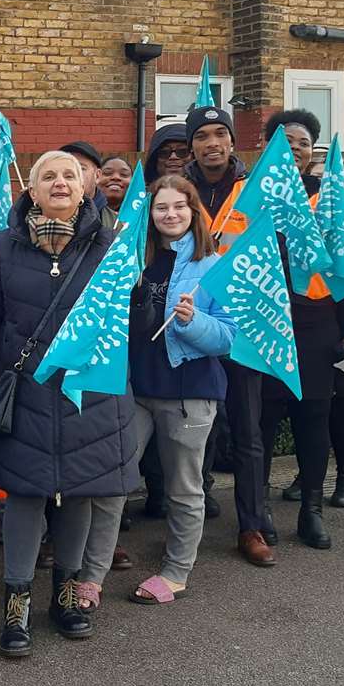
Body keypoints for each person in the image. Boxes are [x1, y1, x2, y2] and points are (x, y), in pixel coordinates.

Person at [0, 151, 137, 658]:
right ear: (32, 189)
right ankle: (17, 602)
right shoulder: (4, 246)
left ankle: (65, 597)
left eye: (69, 175)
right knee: (25, 497)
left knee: (80, 494)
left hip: (87, 394)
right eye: (48, 175)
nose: (60, 183)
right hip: (25, 392)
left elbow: (123, 317)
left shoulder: (111, 247)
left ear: (85, 187)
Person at [255, 111, 344, 551]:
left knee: (313, 419)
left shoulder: (328, 202)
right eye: (285, 140)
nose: (294, 147)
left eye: (302, 141)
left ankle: (311, 512)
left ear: (312, 151)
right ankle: (257, 509)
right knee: (261, 422)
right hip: (263, 324)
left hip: (316, 324)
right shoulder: (250, 199)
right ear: (269, 148)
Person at [125, 178, 236, 603]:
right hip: (135, 389)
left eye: (178, 206)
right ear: (149, 214)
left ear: (194, 211)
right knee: (113, 477)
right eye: (160, 207)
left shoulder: (214, 265)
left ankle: (176, 572)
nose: (170, 214)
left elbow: (228, 338)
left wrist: (193, 322)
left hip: (188, 391)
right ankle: (92, 570)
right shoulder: (135, 258)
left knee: (184, 487)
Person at [183, 105, 277, 567]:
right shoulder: (178, 191)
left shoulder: (254, 191)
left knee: (247, 429)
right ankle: (190, 521)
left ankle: (252, 525)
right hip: (192, 325)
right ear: (192, 145)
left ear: (232, 142)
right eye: (202, 136)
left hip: (244, 325)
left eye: (220, 134)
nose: (212, 143)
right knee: (195, 427)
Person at [280, 159, 344, 509]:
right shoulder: (287, 210)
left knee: (342, 404)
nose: (319, 185)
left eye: (326, 179)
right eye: (314, 178)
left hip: (338, 322)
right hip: (300, 324)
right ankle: (309, 478)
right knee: (309, 412)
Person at [59, 140, 114, 228]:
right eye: (66, 168)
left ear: (97, 176)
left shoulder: (117, 225)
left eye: (81, 168)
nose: (72, 173)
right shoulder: (35, 221)